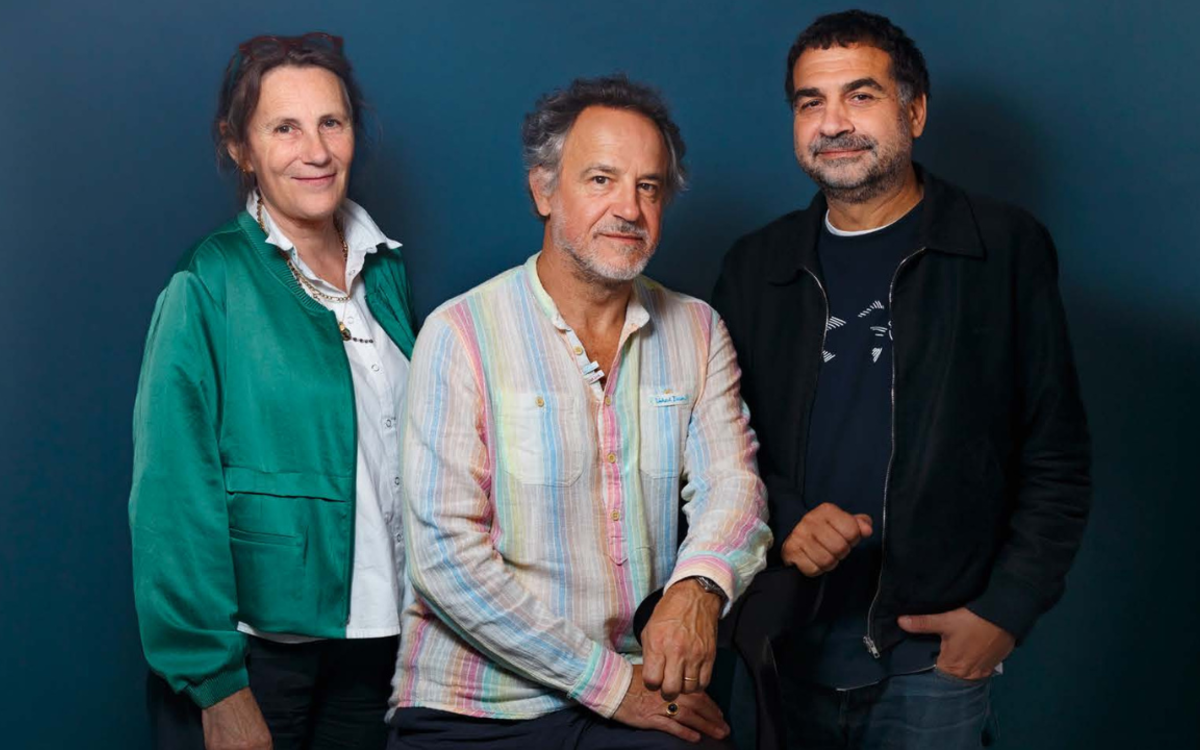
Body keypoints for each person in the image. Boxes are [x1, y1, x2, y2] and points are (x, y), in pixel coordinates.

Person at [711, 10, 1091, 749]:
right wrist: (786, 517)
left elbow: (1057, 456)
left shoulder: (1001, 249)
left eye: (861, 95)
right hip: (777, 644)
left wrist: (1005, 611)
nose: (833, 123)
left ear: (913, 112)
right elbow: (719, 449)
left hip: (929, 662)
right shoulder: (755, 266)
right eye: (811, 102)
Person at [386, 75, 771, 749]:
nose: (629, 208)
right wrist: (611, 686)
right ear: (544, 191)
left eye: (648, 187)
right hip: (475, 710)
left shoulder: (698, 329)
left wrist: (699, 587)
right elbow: (444, 558)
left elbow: (732, 487)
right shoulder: (461, 334)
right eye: (601, 180)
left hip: (643, 690)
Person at [129, 32, 418, 750]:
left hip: (377, 641)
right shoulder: (208, 281)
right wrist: (216, 683)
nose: (315, 151)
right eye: (284, 128)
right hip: (259, 656)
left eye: (331, 122)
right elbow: (172, 492)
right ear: (241, 148)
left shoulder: (383, 268)